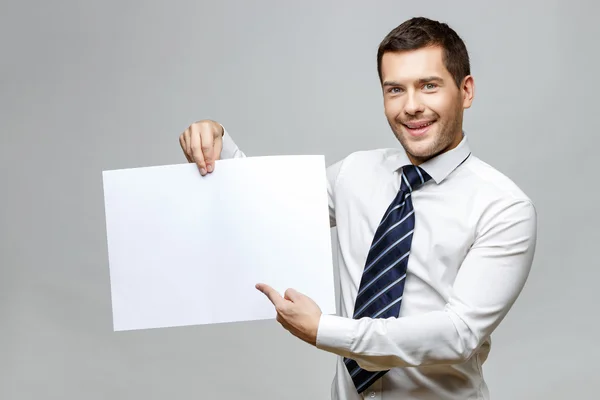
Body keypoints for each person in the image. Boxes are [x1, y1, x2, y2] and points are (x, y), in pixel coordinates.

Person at [178, 16, 537, 400]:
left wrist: (325, 330)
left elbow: (458, 333)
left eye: (429, 86)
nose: (411, 106)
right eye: (395, 89)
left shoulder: (504, 207)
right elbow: (266, 210)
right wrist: (216, 138)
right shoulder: (354, 173)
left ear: (465, 91)